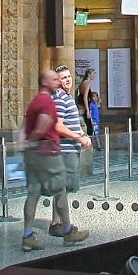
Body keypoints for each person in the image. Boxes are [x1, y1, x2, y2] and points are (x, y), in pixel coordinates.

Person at [21, 70, 89, 251]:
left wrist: (26, 144)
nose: (58, 82)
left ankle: (27, 235)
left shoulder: (35, 100)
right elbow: (44, 126)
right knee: (61, 190)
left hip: (34, 154)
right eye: (54, 79)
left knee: (34, 193)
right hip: (47, 153)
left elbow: (24, 125)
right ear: (45, 82)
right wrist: (34, 140)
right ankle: (67, 232)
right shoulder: (47, 101)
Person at [52, 65, 88, 193]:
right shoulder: (60, 99)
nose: (68, 80)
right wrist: (79, 138)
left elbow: (72, 121)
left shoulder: (68, 98)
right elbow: (58, 126)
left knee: (67, 190)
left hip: (72, 149)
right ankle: (60, 214)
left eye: (69, 76)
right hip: (65, 152)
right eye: (63, 78)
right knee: (63, 191)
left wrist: (82, 134)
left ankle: (63, 214)